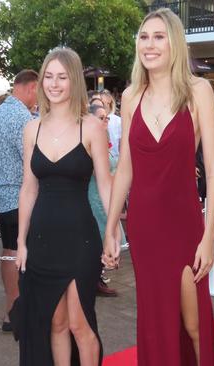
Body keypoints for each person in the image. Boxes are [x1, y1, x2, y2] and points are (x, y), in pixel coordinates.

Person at [103, 8, 214, 365]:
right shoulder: (130, 97)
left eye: (158, 37)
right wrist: (111, 228)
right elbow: (125, 168)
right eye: (144, 37)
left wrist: (208, 238)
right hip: (144, 227)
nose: (149, 45)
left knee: (193, 322)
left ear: (174, 43)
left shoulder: (198, 91)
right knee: (155, 320)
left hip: (184, 225)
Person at [11, 48, 114, 365]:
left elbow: (106, 184)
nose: (54, 84)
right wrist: (20, 242)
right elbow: (28, 188)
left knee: (78, 324)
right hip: (41, 238)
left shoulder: (92, 127)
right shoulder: (32, 129)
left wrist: (112, 232)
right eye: (49, 77)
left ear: (74, 82)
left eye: (62, 77)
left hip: (80, 239)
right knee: (53, 323)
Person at [0, 69, 38, 332]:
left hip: (1, 194)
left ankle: (11, 311)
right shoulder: (22, 117)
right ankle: (17, 313)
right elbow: (32, 159)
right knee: (17, 253)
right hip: (19, 195)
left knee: (8, 252)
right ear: (30, 87)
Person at [88, 104, 123, 297]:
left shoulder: (105, 138)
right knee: (98, 238)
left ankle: (98, 278)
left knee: (105, 237)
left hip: (105, 195)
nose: (106, 121)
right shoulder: (90, 139)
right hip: (94, 196)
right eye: (102, 117)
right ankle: (95, 280)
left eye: (107, 117)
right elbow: (98, 172)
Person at [101, 89, 122, 159]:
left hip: (115, 162)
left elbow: (122, 146)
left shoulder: (118, 121)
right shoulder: (94, 121)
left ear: (109, 99)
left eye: (101, 98)